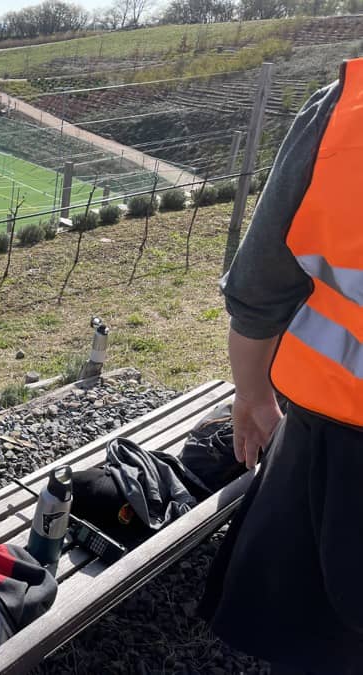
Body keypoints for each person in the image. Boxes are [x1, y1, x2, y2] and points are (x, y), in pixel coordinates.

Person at [199, 57, 363, 674]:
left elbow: (257, 289)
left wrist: (252, 395)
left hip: (335, 449)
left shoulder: (346, 112)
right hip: (332, 439)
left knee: (316, 640)